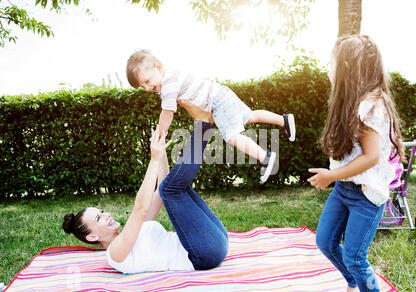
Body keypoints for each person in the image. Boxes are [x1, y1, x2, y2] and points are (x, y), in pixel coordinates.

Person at [307, 35, 404, 292]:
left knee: (355, 257)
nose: (329, 67)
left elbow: (371, 156)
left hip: (366, 195)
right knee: (325, 242)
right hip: (344, 189)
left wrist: (331, 175)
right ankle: (352, 281)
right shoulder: (354, 100)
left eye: (332, 62)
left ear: (348, 66)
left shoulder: (371, 105)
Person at [62, 122, 229, 273]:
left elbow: (164, 188)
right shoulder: (114, 254)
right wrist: (153, 159)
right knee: (172, 189)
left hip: (213, 241)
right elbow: (140, 208)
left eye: (102, 211)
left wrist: (160, 151)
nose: (106, 215)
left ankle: (205, 123)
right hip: (203, 255)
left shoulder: (132, 230)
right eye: (98, 218)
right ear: (92, 237)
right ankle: (205, 124)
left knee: (173, 187)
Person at [125, 49, 296, 183]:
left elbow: (167, 112)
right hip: (221, 94)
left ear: (159, 67)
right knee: (248, 116)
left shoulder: (168, 83)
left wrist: (160, 135)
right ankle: (284, 120)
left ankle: (264, 156)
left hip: (217, 102)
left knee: (231, 136)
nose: (147, 88)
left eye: (147, 81)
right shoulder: (170, 79)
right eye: (142, 86)